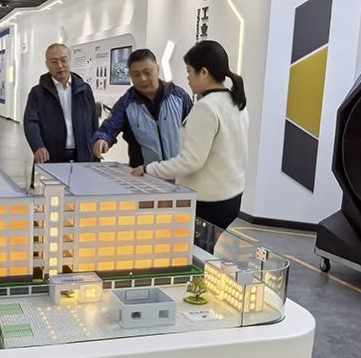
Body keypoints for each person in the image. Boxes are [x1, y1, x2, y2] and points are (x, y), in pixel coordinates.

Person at [132, 40, 247, 230]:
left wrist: (149, 169)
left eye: (189, 71)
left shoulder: (206, 107)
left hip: (207, 203)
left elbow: (190, 162)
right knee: (206, 247)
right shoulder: (235, 101)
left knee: (185, 248)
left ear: (204, 73)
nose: (187, 78)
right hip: (231, 198)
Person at [90, 48, 193, 169]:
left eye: (147, 72)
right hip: (144, 174)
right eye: (136, 75)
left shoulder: (179, 96)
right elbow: (108, 128)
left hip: (180, 173)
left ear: (158, 70)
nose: (142, 78)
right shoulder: (126, 103)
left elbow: (196, 130)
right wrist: (102, 139)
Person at [23, 43, 99, 163]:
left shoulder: (84, 90)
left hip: (83, 156)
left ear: (70, 60)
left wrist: (95, 145)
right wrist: (38, 146)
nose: (59, 66)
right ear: (47, 64)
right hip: (51, 157)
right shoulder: (38, 93)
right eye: (54, 62)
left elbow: (93, 121)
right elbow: (31, 123)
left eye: (63, 60)